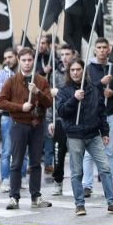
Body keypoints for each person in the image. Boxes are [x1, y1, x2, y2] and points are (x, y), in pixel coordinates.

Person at [56, 59, 113, 215]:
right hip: (74, 135)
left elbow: (101, 112)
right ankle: (79, 204)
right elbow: (61, 112)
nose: (75, 72)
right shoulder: (64, 91)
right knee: (77, 172)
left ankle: (112, 203)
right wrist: (74, 99)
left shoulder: (93, 89)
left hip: (93, 134)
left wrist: (105, 132)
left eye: (78, 69)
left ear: (83, 71)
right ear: (69, 72)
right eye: (72, 70)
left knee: (105, 168)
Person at [0, 47, 53, 210]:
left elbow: (49, 102)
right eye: (24, 60)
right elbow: (0, 102)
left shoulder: (41, 81)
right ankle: (14, 197)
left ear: (33, 61)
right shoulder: (12, 81)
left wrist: (38, 93)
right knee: (16, 162)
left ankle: (36, 196)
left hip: (37, 125)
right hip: (19, 125)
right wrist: (20, 107)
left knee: (36, 162)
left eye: (30, 60)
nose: (27, 63)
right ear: (19, 61)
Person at [83, 38, 113, 197]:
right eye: (99, 47)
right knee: (88, 153)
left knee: (110, 151)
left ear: (108, 50)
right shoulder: (88, 68)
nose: (101, 50)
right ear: (94, 50)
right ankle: (87, 185)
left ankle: (110, 182)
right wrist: (100, 83)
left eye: (104, 47)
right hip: (92, 116)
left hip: (110, 114)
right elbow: (85, 90)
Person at [0, 47, 27, 193]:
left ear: (17, 57)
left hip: (23, 116)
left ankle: (22, 177)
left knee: (23, 150)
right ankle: (5, 180)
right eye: (5, 57)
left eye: (10, 57)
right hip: (7, 117)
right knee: (7, 151)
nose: (7, 60)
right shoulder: (2, 74)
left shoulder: (25, 73)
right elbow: (2, 93)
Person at [46, 44, 75, 196]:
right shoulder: (54, 75)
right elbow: (50, 99)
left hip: (75, 119)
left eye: (67, 53)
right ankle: (58, 181)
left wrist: (61, 92)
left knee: (77, 153)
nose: (64, 57)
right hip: (59, 119)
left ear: (73, 55)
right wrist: (50, 120)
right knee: (59, 152)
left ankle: (80, 183)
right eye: (62, 54)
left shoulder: (78, 73)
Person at [35, 34, 55, 175]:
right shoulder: (32, 58)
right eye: (40, 43)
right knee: (35, 132)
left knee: (49, 132)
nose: (42, 45)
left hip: (48, 96)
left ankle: (48, 162)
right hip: (35, 98)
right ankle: (34, 162)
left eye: (44, 43)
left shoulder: (51, 57)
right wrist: (43, 71)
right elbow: (32, 76)